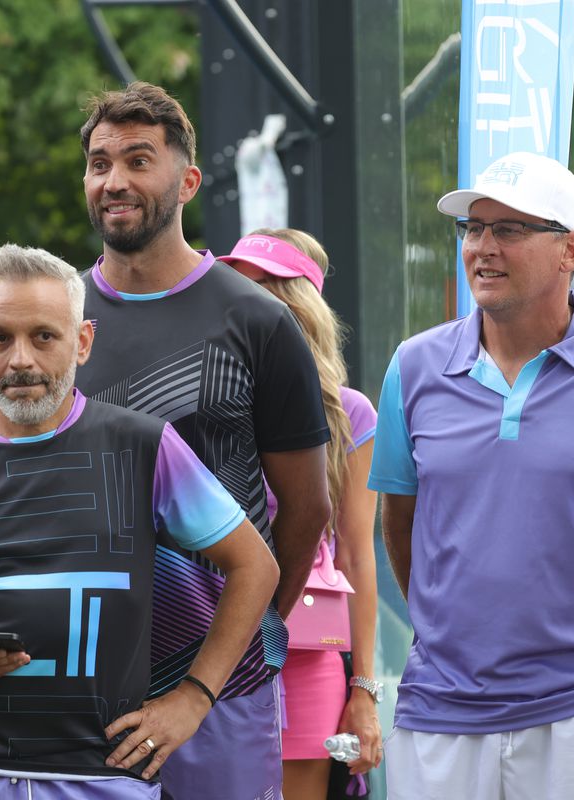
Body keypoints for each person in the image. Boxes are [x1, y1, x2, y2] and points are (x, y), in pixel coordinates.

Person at [0, 244, 278, 798]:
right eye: (0, 338)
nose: (20, 360)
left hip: (103, 774)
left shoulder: (143, 446)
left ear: (82, 342)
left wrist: (194, 698)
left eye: (44, 336)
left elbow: (255, 566)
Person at [369, 150, 574, 799]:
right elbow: (402, 521)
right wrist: (452, 631)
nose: (483, 247)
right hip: (442, 711)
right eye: (473, 228)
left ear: (570, 250)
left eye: (509, 229)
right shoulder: (413, 367)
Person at [72, 82, 333, 800]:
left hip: (220, 693)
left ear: (187, 181)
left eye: (138, 160)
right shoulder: (57, 320)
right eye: (99, 163)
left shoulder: (257, 321)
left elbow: (307, 508)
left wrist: (229, 654)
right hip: (82, 685)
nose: (114, 181)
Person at [217, 229, 383, 797]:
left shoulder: (349, 413)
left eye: (264, 286)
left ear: (298, 305)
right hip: (209, 638)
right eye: (238, 286)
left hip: (309, 650)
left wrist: (364, 689)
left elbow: (357, 554)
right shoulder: (208, 400)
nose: (244, 301)